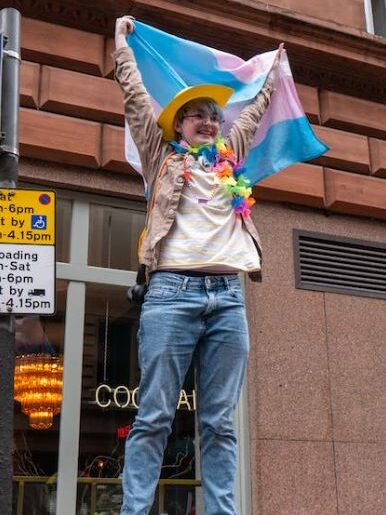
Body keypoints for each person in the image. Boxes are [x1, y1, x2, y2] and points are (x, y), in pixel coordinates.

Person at [114, 15, 283, 515]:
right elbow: (135, 95)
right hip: (171, 295)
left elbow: (254, 111)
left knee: (220, 423)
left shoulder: (230, 156)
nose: (209, 121)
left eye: (213, 114)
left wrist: (274, 69)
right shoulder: (159, 154)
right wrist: (121, 44)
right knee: (154, 416)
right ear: (178, 125)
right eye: (197, 116)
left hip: (228, 298)